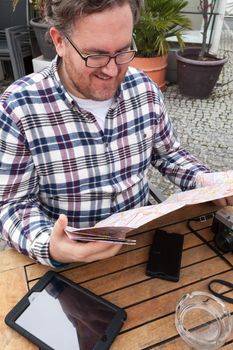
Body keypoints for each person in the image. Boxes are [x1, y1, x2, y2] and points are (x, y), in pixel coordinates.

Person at [0, 0, 232, 267]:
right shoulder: (18, 107)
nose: (111, 71)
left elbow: (168, 154)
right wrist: (50, 245)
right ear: (59, 41)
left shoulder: (143, 89)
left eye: (123, 52)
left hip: (141, 247)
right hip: (68, 264)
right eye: (95, 55)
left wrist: (206, 181)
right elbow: (11, 204)